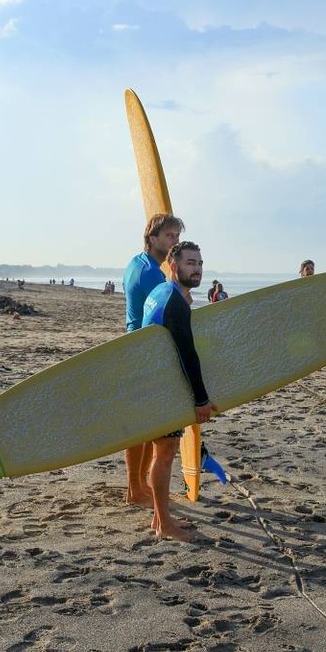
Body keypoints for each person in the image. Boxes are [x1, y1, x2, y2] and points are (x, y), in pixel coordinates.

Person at [142, 241, 218, 541]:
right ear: (173, 266)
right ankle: (164, 525)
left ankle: (160, 518)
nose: (196, 269)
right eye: (189, 263)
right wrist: (201, 400)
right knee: (165, 452)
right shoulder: (174, 302)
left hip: (153, 383)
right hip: (162, 389)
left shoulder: (161, 292)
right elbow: (187, 354)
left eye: (199, 263)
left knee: (162, 451)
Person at [122, 213, 185, 505]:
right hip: (145, 350)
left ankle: (138, 486)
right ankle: (136, 489)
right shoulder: (152, 274)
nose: (175, 241)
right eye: (170, 236)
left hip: (137, 345)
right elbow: (160, 315)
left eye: (177, 236)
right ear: (152, 239)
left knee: (145, 426)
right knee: (143, 427)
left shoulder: (136, 263)